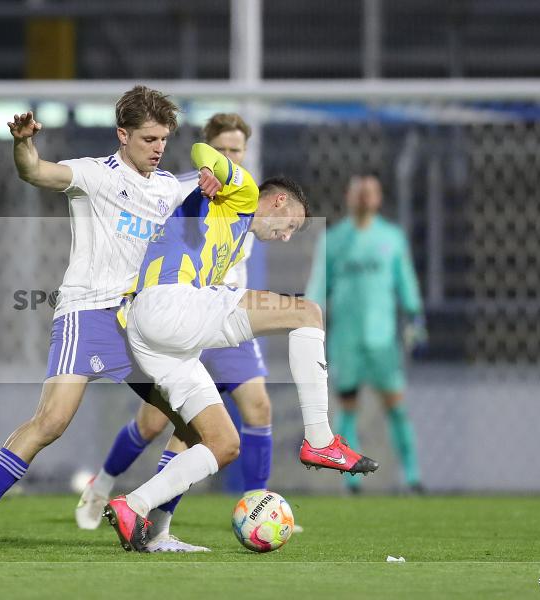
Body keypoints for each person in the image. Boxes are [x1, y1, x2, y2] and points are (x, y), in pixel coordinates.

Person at [0, 86, 195, 553]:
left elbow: (211, 182)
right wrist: (23, 144)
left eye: (163, 140)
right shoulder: (93, 174)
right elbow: (34, 171)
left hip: (139, 322)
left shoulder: (169, 186)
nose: (158, 148)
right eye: (149, 139)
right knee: (51, 422)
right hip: (89, 312)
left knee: (195, 423)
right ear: (123, 135)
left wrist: (223, 178)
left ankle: (155, 532)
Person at [103, 143, 379, 552]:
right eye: (290, 225)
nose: (285, 237)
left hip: (155, 337)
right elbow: (201, 149)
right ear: (280, 200)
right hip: (166, 305)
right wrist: (210, 171)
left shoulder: (233, 234)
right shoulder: (246, 193)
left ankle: (135, 507)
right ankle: (320, 440)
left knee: (223, 443)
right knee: (308, 313)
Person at [76, 114, 282, 543]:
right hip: (180, 313)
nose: (230, 156)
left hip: (225, 314)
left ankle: (258, 505)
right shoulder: (182, 186)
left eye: (237, 150)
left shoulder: (248, 194)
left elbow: (255, 240)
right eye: (222, 150)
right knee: (159, 426)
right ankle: (104, 485)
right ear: (208, 148)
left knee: (258, 407)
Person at [305, 174, 425, 494]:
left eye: (370, 192)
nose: (364, 197)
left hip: (382, 338)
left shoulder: (391, 238)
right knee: (347, 405)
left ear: (379, 197)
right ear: (348, 196)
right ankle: (352, 479)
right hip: (346, 337)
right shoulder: (334, 238)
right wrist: (309, 324)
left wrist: (415, 316)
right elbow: (319, 286)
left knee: (395, 403)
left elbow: (405, 281)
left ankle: (413, 476)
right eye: (359, 192)